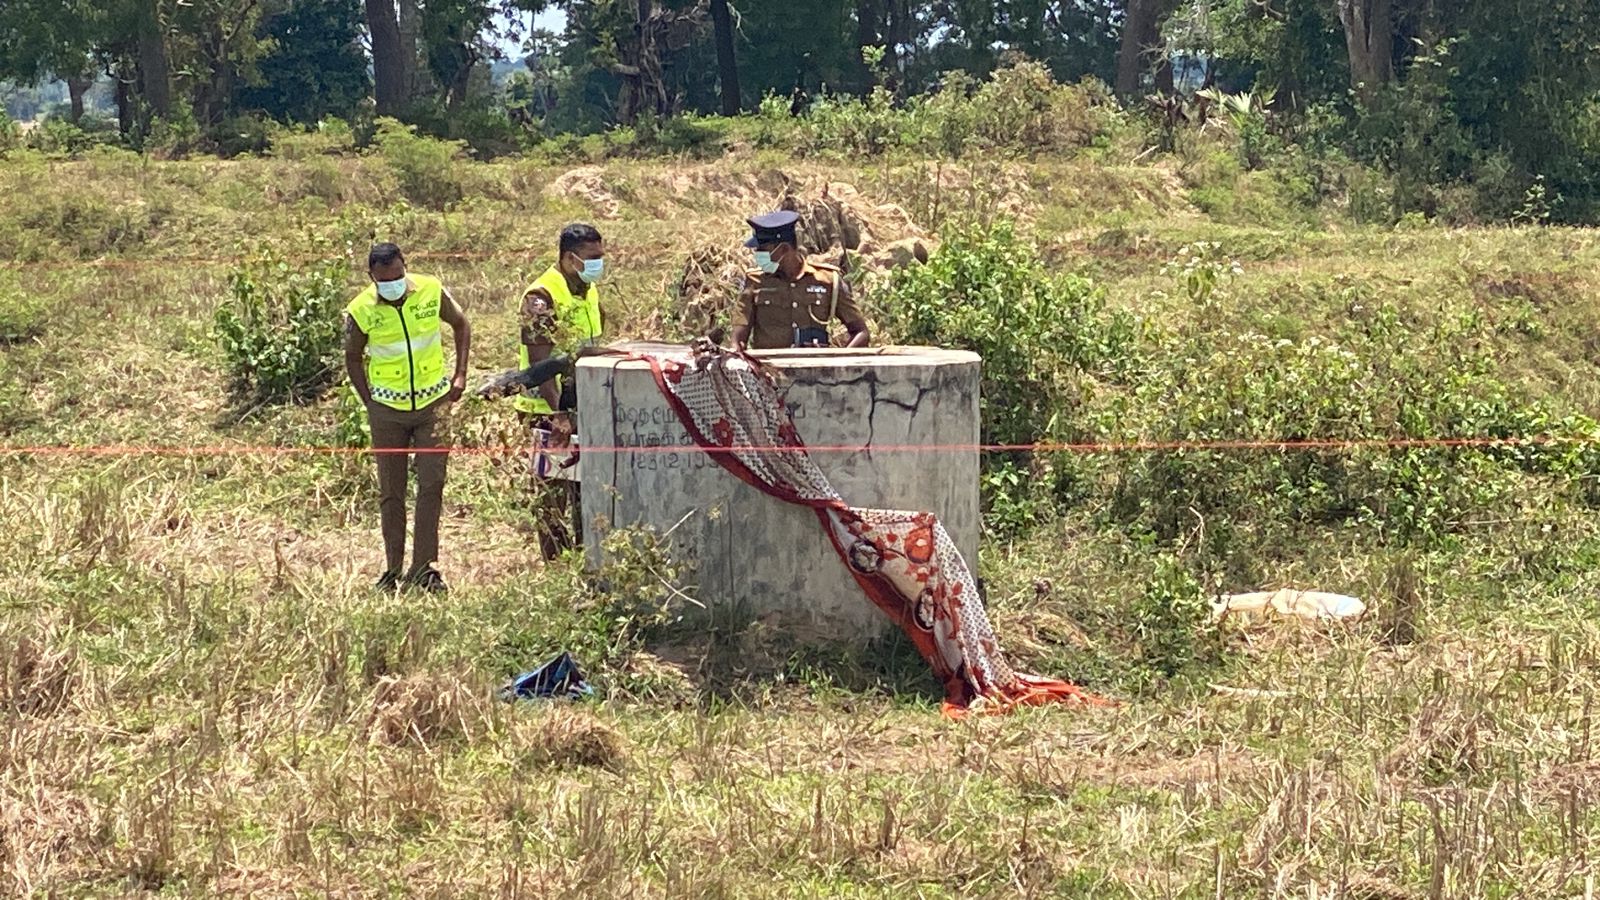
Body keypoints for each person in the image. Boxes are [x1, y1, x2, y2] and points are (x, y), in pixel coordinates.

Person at [344, 242, 471, 592]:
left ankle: (425, 568)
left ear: (406, 267)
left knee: (431, 485)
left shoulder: (430, 289)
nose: (393, 284)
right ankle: (392, 569)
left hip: (434, 405)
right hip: (387, 412)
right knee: (391, 491)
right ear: (371, 278)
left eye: (398, 276)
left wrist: (459, 375)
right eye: (384, 280)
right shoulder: (361, 309)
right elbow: (352, 357)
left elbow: (461, 324)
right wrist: (369, 400)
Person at [515, 223, 605, 559]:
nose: (598, 263)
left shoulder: (587, 289)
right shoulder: (542, 296)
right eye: (591, 258)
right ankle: (556, 563)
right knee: (552, 493)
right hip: (548, 411)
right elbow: (541, 365)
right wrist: (558, 415)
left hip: (582, 403)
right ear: (570, 258)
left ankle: (584, 557)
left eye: (601, 256)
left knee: (584, 487)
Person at [731, 210, 870, 351]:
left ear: (784, 249)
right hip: (768, 370)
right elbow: (737, 341)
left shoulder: (827, 280)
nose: (758, 256)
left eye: (763, 250)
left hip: (816, 369)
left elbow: (861, 332)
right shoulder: (754, 281)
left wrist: (837, 363)